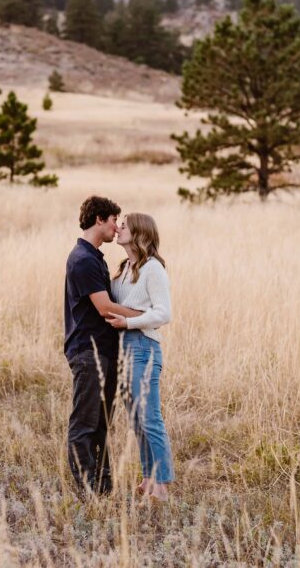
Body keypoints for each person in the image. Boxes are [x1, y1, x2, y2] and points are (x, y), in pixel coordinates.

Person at [64, 196, 143, 495]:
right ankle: (86, 490)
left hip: (104, 351)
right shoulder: (82, 260)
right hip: (88, 352)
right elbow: (104, 307)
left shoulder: (95, 257)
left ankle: (103, 486)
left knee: (101, 423)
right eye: (113, 220)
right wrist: (145, 317)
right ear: (99, 219)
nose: (116, 226)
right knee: (85, 423)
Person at [106, 213, 175, 502]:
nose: (118, 228)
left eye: (124, 226)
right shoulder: (125, 269)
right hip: (123, 348)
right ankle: (148, 478)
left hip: (143, 346)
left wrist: (128, 323)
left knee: (149, 418)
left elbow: (164, 313)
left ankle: (161, 486)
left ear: (139, 233)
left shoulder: (152, 268)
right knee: (137, 420)